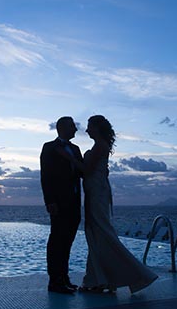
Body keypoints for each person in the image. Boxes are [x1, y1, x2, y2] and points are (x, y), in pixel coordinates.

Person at [60, 115, 157, 294]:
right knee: (96, 235)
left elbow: (87, 171)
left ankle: (136, 274)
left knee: (102, 233)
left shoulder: (100, 146)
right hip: (94, 192)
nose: (87, 130)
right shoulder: (99, 146)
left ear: (97, 127)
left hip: (97, 194)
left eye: (89, 126)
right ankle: (99, 280)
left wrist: (68, 158)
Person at [40, 116, 83, 295]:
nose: (75, 130)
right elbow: (45, 177)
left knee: (68, 240)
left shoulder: (75, 149)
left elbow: (81, 172)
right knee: (57, 240)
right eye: (73, 126)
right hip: (58, 202)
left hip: (74, 201)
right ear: (63, 128)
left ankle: (64, 277)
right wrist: (50, 201)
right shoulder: (49, 148)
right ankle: (54, 280)